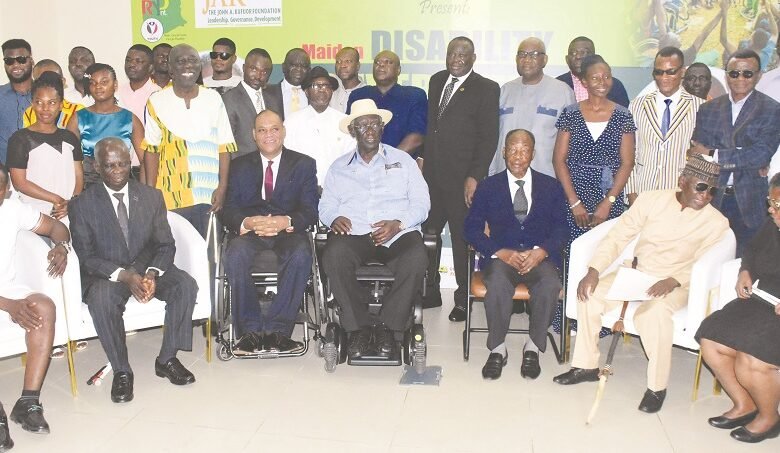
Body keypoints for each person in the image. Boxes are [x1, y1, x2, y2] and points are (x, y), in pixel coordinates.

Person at [553, 156, 730, 414]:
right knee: (590, 294)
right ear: (683, 182)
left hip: (676, 284)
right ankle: (586, 366)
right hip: (638, 274)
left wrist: (673, 280)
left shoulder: (716, 222)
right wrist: (594, 270)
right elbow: (618, 235)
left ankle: (657, 388)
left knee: (652, 314)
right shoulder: (652, 200)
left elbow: (704, 263)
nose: (706, 196)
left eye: (712, 191)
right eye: (701, 187)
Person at [69, 137, 199, 403]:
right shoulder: (82, 204)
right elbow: (87, 256)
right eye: (109, 166)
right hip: (109, 273)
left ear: (131, 163)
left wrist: (151, 274)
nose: (117, 171)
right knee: (101, 298)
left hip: (145, 266)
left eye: (123, 164)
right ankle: (121, 370)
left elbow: (165, 244)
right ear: (96, 167)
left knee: (185, 284)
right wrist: (125, 276)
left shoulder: (151, 196)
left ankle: (167, 359)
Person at [319, 99, 430, 359]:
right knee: (334, 255)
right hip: (355, 233)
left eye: (374, 124)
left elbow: (422, 203)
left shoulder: (404, 161)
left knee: (416, 257)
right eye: (362, 125)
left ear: (382, 129)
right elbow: (326, 205)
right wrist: (334, 217)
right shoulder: (338, 167)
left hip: (397, 232)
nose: (369, 129)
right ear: (353, 131)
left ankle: (388, 329)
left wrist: (399, 223)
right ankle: (357, 328)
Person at [464, 129, 567, 380]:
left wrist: (542, 252)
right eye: (512, 149)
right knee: (497, 284)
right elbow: (470, 229)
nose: (518, 156)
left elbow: (562, 228)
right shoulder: (488, 187)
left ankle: (533, 347)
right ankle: (497, 349)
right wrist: (499, 251)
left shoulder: (551, 186)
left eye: (524, 150)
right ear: (503, 152)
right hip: (501, 257)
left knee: (550, 284)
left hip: (537, 257)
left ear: (533, 154)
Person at [220, 110, 318, 354]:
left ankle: (278, 331)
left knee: (301, 254)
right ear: (254, 135)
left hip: (288, 232)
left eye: (274, 128)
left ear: (283, 132)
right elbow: (228, 208)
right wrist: (249, 222)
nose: (269, 135)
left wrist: (286, 220)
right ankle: (250, 332)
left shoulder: (304, 164)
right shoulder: (239, 165)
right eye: (262, 130)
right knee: (234, 254)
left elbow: (310, 209)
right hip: (250, 233)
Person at [695, 172, 780, 443]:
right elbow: (753, 250)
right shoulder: (773, 225)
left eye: (777, 205)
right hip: (763, 299)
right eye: (771, 202)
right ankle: (746, 404)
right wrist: (745, 270)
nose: (771, 209)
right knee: (711, 338)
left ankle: (770, 418)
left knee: (750, 359)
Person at [421, 36, 499, 318]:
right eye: (452, 53)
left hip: (462, 178)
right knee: (428, 234)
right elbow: (433, 127)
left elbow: (488, 138)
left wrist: (475, 176)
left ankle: (463, 297)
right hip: (432, 177)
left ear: (473, 58)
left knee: (461, 237)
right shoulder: (436, 80)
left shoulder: (487, 88)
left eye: (463, 54)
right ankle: (429, 290)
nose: (456, 58)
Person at [0, 163, 70, 447]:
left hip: (7, 287)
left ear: (5, 191)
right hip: (5, 298)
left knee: (44, 307)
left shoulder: (12, 209)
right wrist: (8, 305)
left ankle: (28, 402)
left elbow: (56, 226)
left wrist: (61, 247)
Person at [689, 49, 780, 256]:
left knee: (744, 264)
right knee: (707, 259)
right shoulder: (708, 109)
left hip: (750, 202)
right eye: (734, 73)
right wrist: (740, 153)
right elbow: (697, 156)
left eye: (747, 73)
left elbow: (760, 155)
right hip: (710, 198)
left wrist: (714, 153)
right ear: (726, 74)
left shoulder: (772, 109)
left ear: (758, 75)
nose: (740, 78)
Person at [143, 44, 237, 238]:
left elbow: (224, 147)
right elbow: (151, 151)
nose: (188, 66)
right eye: (181, 61)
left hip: (208, 195)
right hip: (169, 196)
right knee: (176, 256)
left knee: (207, 257)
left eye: (193, 61)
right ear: (170, 68)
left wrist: (222, 188)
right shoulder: (156, 102)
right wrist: (151, 195)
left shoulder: (214, 99)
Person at [553, 55, 635, 243]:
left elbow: (627, 162)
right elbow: (559, 161)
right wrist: (574, 203)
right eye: (595, 78)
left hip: (609, 193)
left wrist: (609, 202)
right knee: (574, 250)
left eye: (607, 77)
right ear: (584, 82)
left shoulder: (623, 115)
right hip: (574, 194)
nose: (602, 82)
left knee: (605, 253)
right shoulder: (570, 113)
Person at [488, 37, 575, 178]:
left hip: (545, 178)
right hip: (504, 177)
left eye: (534, 54)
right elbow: (493, 136)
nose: (526, 59)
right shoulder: (505, 90)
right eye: (522, 54)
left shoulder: (562, 91)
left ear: (545, 60)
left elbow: (572, 142)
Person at [626, 47, 703, 204]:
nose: (664, 77)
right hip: (643, 193)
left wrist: (690, 196)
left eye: (671, 71)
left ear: (683, 71)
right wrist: (632, 193)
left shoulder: (700, 107)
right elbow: (629, 152)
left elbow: (701, 158)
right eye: (659, 72)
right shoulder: (637, 105)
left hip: (679, 196)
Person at [6, 72, 83, 219]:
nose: (45, 108)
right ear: (33, 103)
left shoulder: (70, 138)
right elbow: (19, 183)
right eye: (39, 102)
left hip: (68, 211)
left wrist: (72, 202)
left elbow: (78, 175)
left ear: (61, 105)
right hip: (35, 214)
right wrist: (56, 199)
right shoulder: (20, 139)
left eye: (52, 102)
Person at [66, 63, 145, 187]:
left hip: (123, 186)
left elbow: (145, 161)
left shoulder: (130, 119)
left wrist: (144, 192)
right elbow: (68, 162)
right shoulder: (78, 118)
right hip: (89, 187)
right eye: (93, 83)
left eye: (104, 82)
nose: (98, 87)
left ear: (115, 85)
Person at [347, 50, 427, 157]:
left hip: (399, 165)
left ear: (398, 70)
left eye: (388, 62)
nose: (381, 65)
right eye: (377, 63)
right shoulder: (358, 95)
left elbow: (416, 137)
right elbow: (349, 134)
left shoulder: (414, 95)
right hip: (362, 165)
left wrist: (387, 161)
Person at [284, 66, 355, 185]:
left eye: (326, 86)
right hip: (301, 191)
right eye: (316, 86)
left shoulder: (343, 121)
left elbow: (351, 159)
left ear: (332, 91)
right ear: (306, 92)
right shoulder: (292, 121)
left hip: (336, 189)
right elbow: (286, 160)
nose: (322, 89)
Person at [222, 48, 283, 159]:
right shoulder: (229, 99)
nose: (258, 76)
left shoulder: (273, 98)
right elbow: (226, 145)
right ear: (244, 68)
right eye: (254, 69)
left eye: (264, 72)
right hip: (241, 169)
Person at [556, 36, 630, 107]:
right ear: (567, 59)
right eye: (573, 53)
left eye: (584, 52)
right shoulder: (557, 85)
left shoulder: (614, 85)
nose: (578, 57)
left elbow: (624, 115)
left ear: (594, 56)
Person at [22, 59, 84, 130]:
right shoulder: (30, 113)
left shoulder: (78, 111)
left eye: (52, 80)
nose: (47, 86)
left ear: (63, 82)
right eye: (40, 81)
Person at [0, 39, 33, 164]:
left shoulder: (45, 95)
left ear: (31, 61)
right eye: (9, 61)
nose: (15, 65)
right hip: (5, 176)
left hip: (41, 173)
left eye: (21, 59)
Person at [116, 44, 160, 125]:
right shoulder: (116, 92)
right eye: (128, 60)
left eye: (138, 61)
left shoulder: (158, 94)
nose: (131, 65)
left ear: (150, 67)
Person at [272, 48, 311, 120]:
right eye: (293, 65)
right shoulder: (269, 93)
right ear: (283, 67)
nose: (299, 69)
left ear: (309, 70)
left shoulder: (313, 95)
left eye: (303, 66)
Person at [330, 47, 365, 113]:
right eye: (338, 62)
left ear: (358, 66)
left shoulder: (367, 93)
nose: (342, 65)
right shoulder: (330, 91)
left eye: (348, 61)